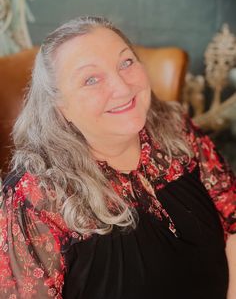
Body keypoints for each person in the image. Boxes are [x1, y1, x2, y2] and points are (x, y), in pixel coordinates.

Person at [0, 16, 236, 299]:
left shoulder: (176, 129)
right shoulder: (36, 197)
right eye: (91, 79)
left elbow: (233, 220)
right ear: (60, 106)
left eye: (126, 63)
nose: (123, 88)